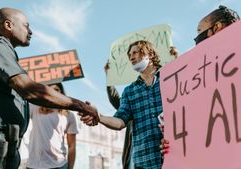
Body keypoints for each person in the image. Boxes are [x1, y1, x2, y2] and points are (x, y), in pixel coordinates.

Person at [0, 7, 98, 169]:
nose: (30, 31)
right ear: (9, 25)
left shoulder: (4, 53)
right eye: (26, 26)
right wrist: (81, 106)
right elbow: (30, 90)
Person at [160, 5, 240, 157]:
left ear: (217, 28)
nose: (196, 39)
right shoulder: (197, 80)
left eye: (199, 31)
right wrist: (174, 140)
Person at [81, 40, 165, 169]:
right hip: (144, 162)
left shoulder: (170, 78)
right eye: (129, 55)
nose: (131, 57)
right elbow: (120, 121)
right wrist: (99, 116)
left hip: (175, 156)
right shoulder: (130, 91)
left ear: (150, 54)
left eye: (135, 52)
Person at [27, 83, 78, 169]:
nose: (52, 92)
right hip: (34, 165)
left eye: (56, 89)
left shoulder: (69, 115)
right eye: (49, 89)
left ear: (61, 93)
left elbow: (72, 146)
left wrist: (70, 168)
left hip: (59, 165)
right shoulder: (35, 107)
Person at [104, 61, 134, 169]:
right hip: (134, 156)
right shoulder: (131, 102)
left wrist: (175, 59)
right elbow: (114, 97)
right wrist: (109, 76)